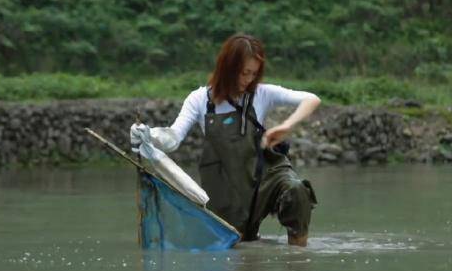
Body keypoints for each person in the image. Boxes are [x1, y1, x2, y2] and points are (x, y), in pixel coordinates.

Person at [130, 33, 320, 246]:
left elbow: (311, 99)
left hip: (264, 180)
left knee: (296, 191)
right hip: (226, 189)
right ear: (227, 68)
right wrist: (149, 135)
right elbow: (173, 138)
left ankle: (298, 258)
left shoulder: (261, 93)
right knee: (236, 244)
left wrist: (287, 125)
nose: (248, 80)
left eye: (253, 74)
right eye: (243, 73)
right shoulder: (199, 100)